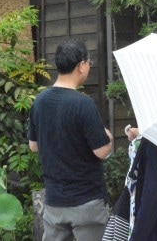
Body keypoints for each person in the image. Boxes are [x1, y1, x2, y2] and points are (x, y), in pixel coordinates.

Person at [28, 38, 113, 241]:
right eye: (89, 63)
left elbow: (33, 146)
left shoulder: (39, 101)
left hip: (54, 201)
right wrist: (108, 136)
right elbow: (102, 151)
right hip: (87, 201)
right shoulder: (83, 104)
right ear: (81, 65)